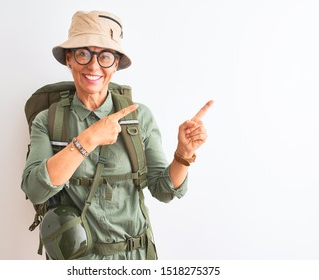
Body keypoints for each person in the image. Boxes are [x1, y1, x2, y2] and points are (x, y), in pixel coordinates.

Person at [21, 10, 213, 260]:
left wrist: (183, 155)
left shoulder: (138, 117)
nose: (93, 65)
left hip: (137, 258)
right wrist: (88, 140)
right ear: (69, 58)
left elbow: (163, 190)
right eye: (83, 53)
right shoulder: (48, 121)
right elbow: (35, 189)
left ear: (116, 64)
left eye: (105, 56)